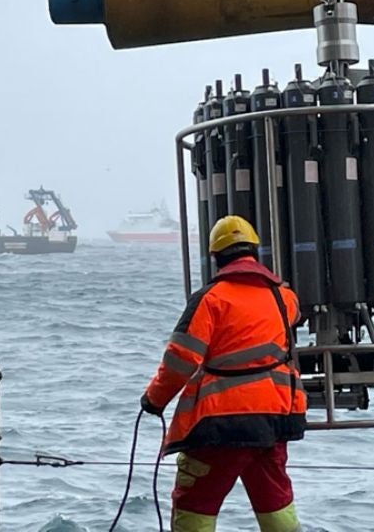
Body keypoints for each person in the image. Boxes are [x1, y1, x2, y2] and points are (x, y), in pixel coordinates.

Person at [140, 215, 306, 532]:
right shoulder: (283, 297)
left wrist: (154, 400)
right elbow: (292, 316)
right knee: (275, 501)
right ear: (255, 253)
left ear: (216, 258)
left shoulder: (211, 299)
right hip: (273, 421)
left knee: (196, 502)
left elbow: (180, 359)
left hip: (221, 424)